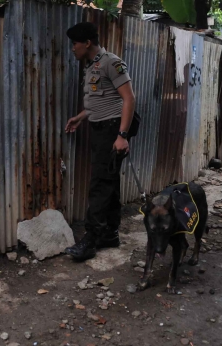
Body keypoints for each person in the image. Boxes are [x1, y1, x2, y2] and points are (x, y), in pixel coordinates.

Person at [63, 22, 136, 261]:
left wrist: (122, 136)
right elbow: (103, 99)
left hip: (112, 130)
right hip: (102, 128)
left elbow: (128, 99)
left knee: (99, 185)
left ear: (87, 43)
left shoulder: (111, 63)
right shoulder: (94, 65)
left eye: (74, 44)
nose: (72, 49)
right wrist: (81, 117)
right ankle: (110, 234)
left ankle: (91, 240)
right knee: (109, 183)